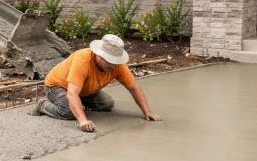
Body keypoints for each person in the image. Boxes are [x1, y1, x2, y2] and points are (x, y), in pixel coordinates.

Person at [32, 34, 161, 131]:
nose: (112, 66)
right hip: (57, 86)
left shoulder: (117, 65)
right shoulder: (83, 60)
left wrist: (147, 112)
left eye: (115, 62)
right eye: (109, 62)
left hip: (83, 89)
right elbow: (72, 93)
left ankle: (77, 105)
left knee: (107, 104)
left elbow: (134, 88)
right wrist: (82, 120)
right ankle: (42, 105)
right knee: (69, 112)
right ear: (99, 56)